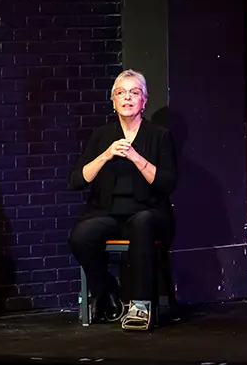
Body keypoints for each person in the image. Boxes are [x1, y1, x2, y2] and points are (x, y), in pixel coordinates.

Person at [68, 69, 177, 331]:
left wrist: (136, 157)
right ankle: (107, 291)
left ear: (144, 101)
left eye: (134, 92)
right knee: (81, 236)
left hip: (148, 213)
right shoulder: (102, 136)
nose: (127, 98)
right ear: (113, 100)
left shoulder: (159, 136)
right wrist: (105, 155)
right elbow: (77, 181)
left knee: (142, 223)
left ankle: (140, 305)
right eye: (121, 93)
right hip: (108, 214)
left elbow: (167, 184)